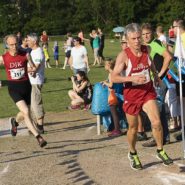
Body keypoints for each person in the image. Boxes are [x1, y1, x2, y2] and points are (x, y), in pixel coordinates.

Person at [111, 23, 173, 170]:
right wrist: (131, 79)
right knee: (132, 128)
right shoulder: (124, 56)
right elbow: (114, 77)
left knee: (156, 122)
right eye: (134, 38)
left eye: (139, 37)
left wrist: (157, 76)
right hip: (131, 94)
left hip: (147, 91)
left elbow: (150, 64)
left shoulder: (148, 49)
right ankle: (132, 153)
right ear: (127, 39)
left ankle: (160, 150)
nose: (138, 41)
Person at [0, 34, 47, 147]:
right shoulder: (3, 57)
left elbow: (34, 70)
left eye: (16, 44)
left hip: (26, 86)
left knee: (25, 112)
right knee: (26, 111)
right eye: (11, 45)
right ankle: (38, 137)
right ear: (7, 45)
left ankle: (15, 122)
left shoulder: (25, 55)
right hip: (14, 88)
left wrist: (33, 66)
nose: (14, 46)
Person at [141, 23, 172, 147]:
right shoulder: (149, 45)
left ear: (152, 33)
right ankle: (164, 137)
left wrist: (160, 74)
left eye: (147, 33)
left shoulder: (155, 44)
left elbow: (168, 56)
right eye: (143, 34)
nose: (145, 36)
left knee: (156, 111)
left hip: (159, 82)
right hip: (156, 82)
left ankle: (158, 137)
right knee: (160, 110)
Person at [27, 33, 46, 135]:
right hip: (31, 81)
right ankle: (35, 126)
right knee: (32, 105)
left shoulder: (38, 52)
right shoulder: (33, 51)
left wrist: (27, 64)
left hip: (36, 82)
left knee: (36, 104)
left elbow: (35, 69)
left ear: (34, 41)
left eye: (28, 40)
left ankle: (40, 126)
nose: (27, 41)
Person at [102, 58, 123, 137]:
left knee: (114, 113)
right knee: (116, 113)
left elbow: (111, 85)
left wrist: (105, 83)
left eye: (105, 65)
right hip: (118, 94)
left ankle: (117, 130)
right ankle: (116, 129)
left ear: (108, 65)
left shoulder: (111, 74)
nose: (104, 67)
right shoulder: (115, 72)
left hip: (113, 94)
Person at [172, 19, 185, 141]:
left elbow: (178, 59)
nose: (172, 29)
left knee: (182, 101)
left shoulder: (181, 39)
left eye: (174, 26)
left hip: (183, 73)